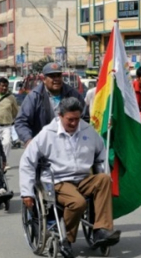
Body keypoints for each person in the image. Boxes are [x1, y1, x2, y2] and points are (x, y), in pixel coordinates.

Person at [20, 98, 121, 258]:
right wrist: (27, 192)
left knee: (104, 179)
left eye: (77, 118)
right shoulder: (47, 134)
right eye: (70, 119)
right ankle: (66, 239)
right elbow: (27, 162)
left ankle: (101, 230)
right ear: (60, 116)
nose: (74, 123)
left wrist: (102, 170)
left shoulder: (88, 131)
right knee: (78, 202)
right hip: (58, 181)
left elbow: (101, 154)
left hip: (82, 178)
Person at [15, 62, 85, 148]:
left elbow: (85, 117)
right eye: (52, 76)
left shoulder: (72, 94)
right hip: (43, 145)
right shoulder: (34, 96)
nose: (56, 79)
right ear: (44, 79)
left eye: (58, 75)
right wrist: (28, 140)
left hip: (69, 144)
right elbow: (21, 122)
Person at [0, 77, 19, 161]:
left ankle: (4, 161)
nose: (4, 88)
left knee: (7, 143)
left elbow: (15, 111)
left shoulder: (11, 98)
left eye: (6, 86)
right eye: (2, 86)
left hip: (7, 126)